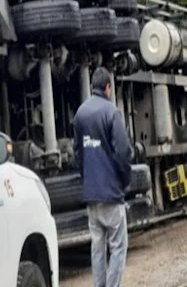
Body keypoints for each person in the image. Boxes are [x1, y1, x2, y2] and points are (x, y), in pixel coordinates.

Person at [74, 67, 132, 287]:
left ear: (92, 87)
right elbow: (123, 152)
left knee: (97, 249)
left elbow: (77, 153)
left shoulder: (80, 114)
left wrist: (86, 179)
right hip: (111, 194)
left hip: (91, 195)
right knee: (118, 247)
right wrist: (124, 181)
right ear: (108, 88)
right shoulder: (111, 112)